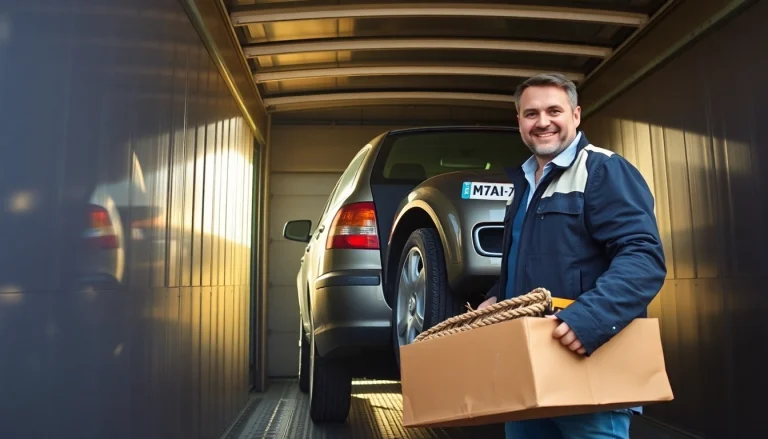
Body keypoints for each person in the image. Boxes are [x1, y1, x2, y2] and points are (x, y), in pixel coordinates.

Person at [477, 73, 667, 438]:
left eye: (554, 110)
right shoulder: (523, 185)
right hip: (529, 371)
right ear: (519, 122)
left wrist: (589, 320)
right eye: (531, 113)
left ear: (576, 115)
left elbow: (643, 258)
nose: (543, 122)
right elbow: (533, 262)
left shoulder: (602, 170)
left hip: (589, 365)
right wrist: (496, 299)